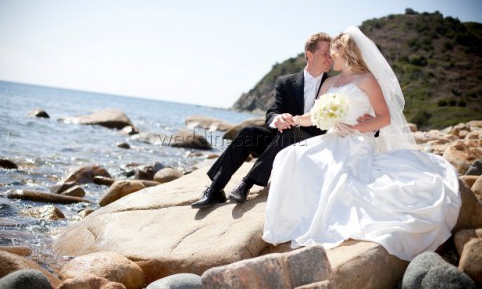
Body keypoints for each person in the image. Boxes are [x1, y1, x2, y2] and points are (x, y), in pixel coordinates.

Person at [262, 27, 462, 261]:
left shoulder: (367, 79)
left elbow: (384, 117)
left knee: (339, 175)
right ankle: (291, 218)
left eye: (333, 54)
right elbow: (314, 116)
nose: (330, 59)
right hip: (332, 138)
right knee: (291, 155)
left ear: (345, 52)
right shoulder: (329, 84)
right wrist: (293, 119)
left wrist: (355, 128)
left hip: (358, 142)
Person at [191, 32, 333, 208]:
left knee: (289, 133)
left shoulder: (333, 84)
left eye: (331, 54)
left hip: (310, 144)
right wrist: (278, 119)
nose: (330, 58)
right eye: (325, 53)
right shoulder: (285, 82)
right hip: (279, 141)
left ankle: (247, 183)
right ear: (309, 54)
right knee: (248, 132)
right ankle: (215, 188)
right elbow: (272, 111)